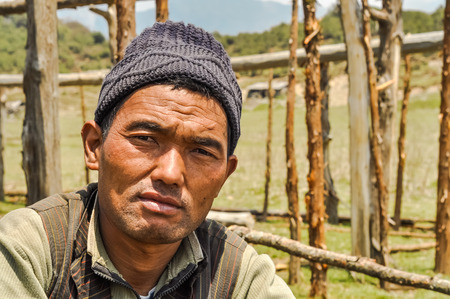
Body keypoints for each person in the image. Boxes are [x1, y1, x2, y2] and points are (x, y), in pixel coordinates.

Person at [0, 21, 295, 298]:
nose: (170, 173)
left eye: (202, 151)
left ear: (224, 175)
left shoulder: (240, 277)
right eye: (145, 139)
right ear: (94, 146)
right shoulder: (30, 251)